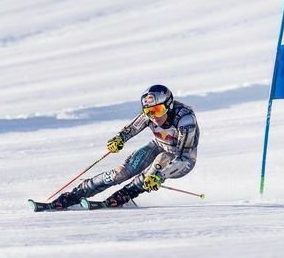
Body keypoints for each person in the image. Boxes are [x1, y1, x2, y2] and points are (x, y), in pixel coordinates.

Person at [51, 84, 199, 208]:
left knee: (160, 162)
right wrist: (119, 139)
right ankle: (76, 194)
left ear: (169, 105)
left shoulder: (185, 121)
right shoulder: (149, 115)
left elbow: (183, 157)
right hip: (158, 145)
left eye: (158, 110)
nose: (154, 116)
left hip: (182, 160)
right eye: (148, 111)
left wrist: (160, 176)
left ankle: (125, 195)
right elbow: (132, 129)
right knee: (120, 173)